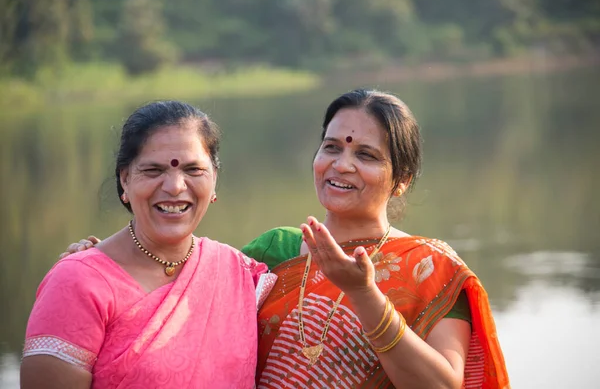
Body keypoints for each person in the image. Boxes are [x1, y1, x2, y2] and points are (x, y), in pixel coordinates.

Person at [62, 89, 510, 388]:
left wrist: (364, 293)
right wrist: (103, 263)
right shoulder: (270, 253)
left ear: (403, 180)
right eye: (332, 147)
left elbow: (443, 384)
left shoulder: (431, 269)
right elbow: (172, 298)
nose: (342, 164)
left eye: (366, 155)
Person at [21, 101, 274, 389]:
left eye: (193, 170)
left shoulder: (239, 274)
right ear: (125, 179)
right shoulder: (78, 283)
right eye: (154, 170)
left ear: (214, 179)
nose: (175, 187)